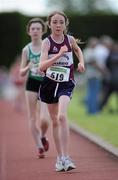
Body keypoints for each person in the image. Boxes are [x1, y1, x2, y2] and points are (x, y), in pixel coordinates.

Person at [38, 11, 85, 171]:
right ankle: (60, 158)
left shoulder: (69, 40)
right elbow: (42, 66)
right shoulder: (47, 42)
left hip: (66, 83)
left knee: (62, 116)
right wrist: (58, 55)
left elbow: (78, 50)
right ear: (49, 24)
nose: (58, 25)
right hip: (49, 85)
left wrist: (81, 63)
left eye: (61, 22)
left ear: (66, 24)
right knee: (55, 122)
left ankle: (66, 156)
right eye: (55, 22)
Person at [20, 18, 50, 158]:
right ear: (29, 32)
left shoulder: (48, 45)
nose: (36, 31)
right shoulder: (26, 50)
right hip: (31, 83)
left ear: (43, 30)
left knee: (44, 119)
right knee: (32, 118)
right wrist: (28, 66)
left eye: (38, 28)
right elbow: (21, 72)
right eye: (33, 29)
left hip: (45, 83)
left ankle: (43, 136)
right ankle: (39, 146)